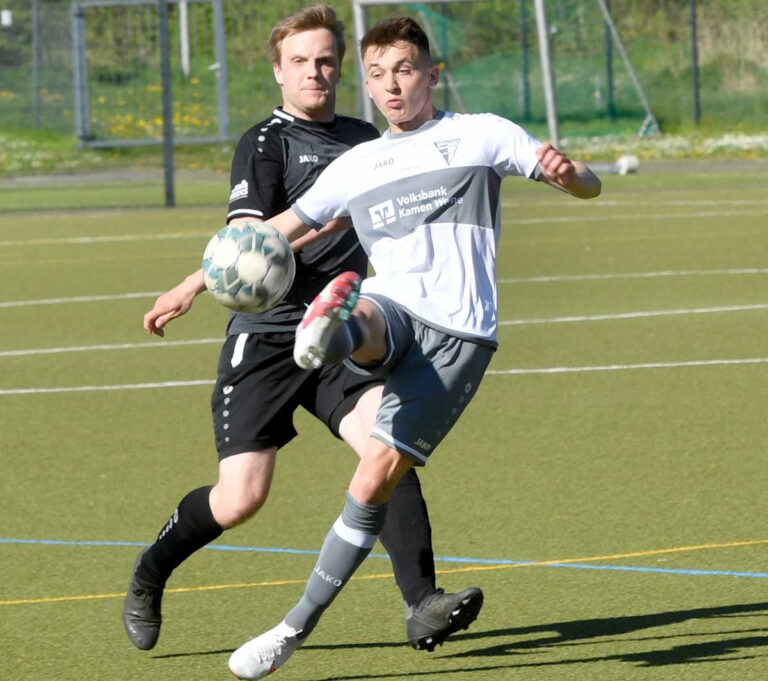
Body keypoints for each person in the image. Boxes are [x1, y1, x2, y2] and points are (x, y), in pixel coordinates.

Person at [226, 14, 601, 680]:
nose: (391, 87)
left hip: (458, 339)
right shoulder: (359, 162)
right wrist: (198, 279)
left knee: (370, 482)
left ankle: (292, 628)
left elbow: (587, 185)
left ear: (432, 74)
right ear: (367, 84)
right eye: (375, 75)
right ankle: (331, 329)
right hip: (391, 307)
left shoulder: (480, 134)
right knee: (366, 310)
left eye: (404, 70)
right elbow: (278, 231)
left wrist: (572, 175)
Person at [122, 4, 484, 655]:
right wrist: (190, 283)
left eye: (325, 61)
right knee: (240, 498)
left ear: (341, 69)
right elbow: (252, 241)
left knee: (389, 443)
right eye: (300, 61)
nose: (315, 71)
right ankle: (151, 570)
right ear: (278, 71)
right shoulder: (265, 143)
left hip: (347, 329)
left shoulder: (369, 140)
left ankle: (422, 603)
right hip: (267, 338)